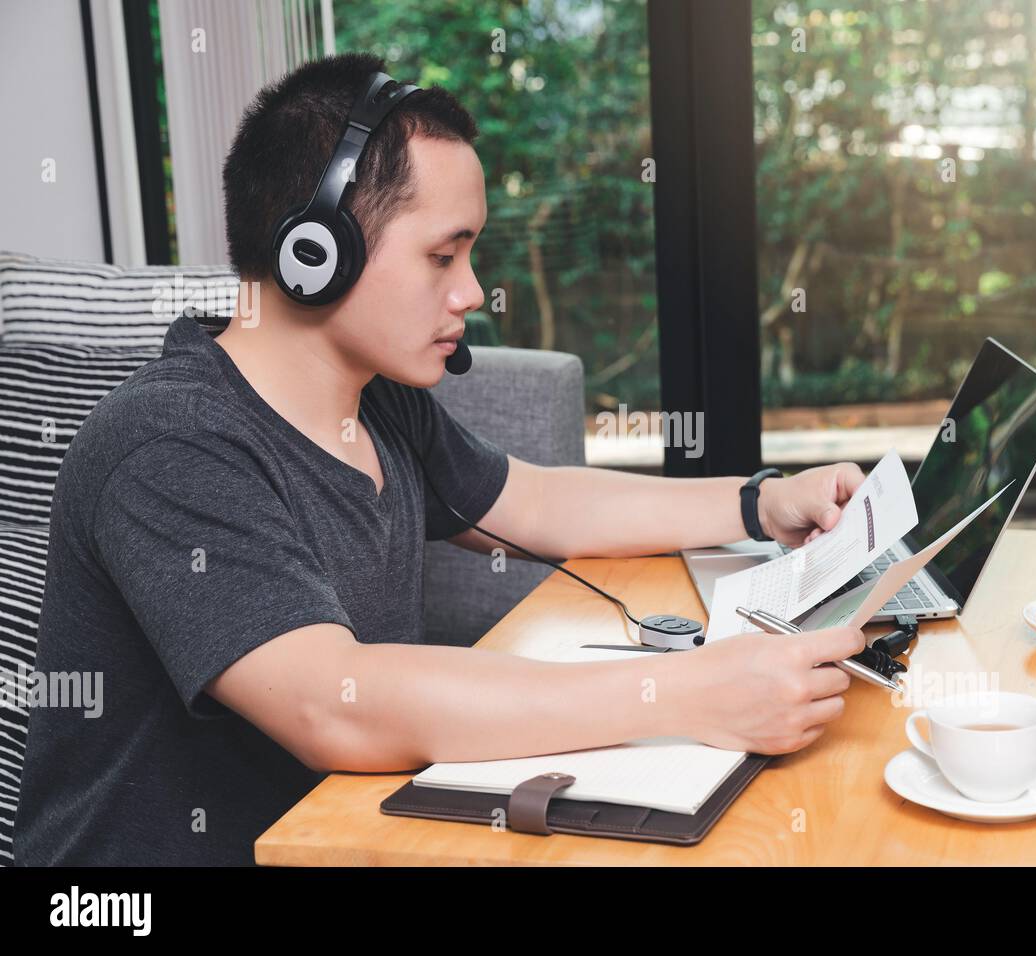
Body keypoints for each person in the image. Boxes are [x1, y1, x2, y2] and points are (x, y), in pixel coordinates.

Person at [14, 53, 867, 866]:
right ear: (314, 255)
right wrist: (690, 695)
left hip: (343, 840)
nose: (468, 292)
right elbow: (330, 702)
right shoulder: (169, 446)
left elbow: (537, 505)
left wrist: (763, 503)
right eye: (442, 255)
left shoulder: (376, 401)